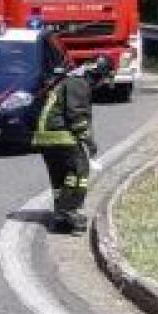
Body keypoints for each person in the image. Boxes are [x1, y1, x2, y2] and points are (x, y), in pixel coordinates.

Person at [31, 54, 113, 233]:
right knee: (80, 170)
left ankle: (60, 216)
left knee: (60, 177)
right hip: (60, 134)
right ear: (97, 74)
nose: (102, 85)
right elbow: (76, 114)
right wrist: (88, 141)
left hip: (45, 137)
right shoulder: (78, 83)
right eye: (103, 79)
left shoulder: (66, 80)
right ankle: (69, 211)